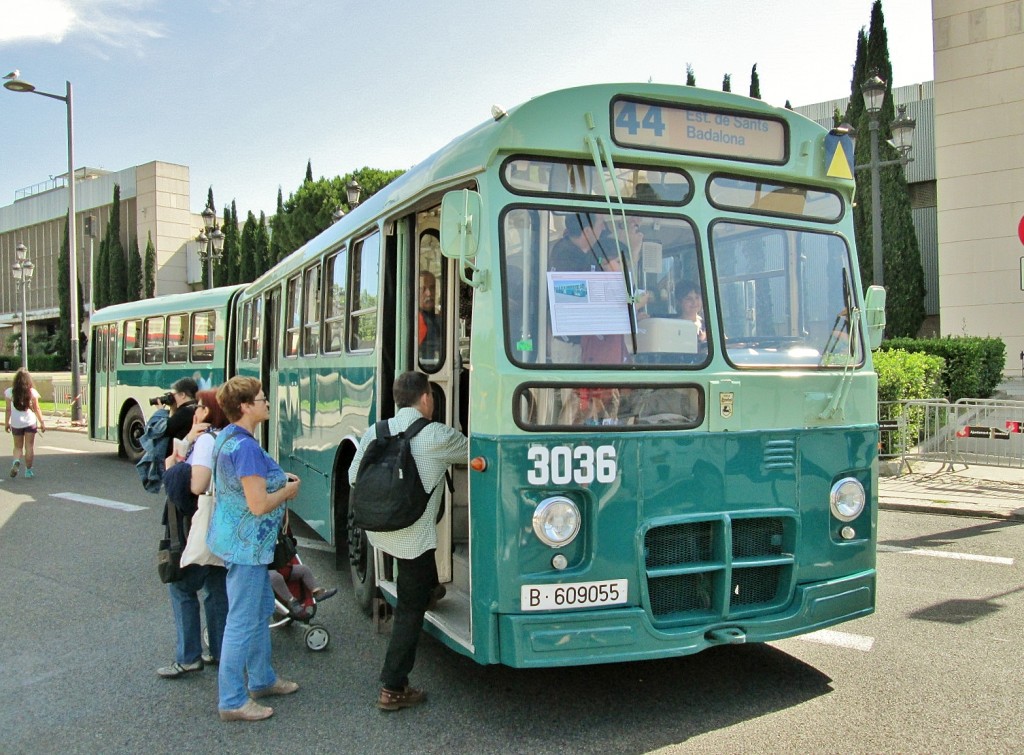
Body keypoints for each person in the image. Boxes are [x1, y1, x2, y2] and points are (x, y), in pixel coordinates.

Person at [348, 371, 468, 712]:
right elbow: (475, 455)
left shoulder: (377, 430)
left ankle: (430, 590)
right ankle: (393, 686)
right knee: (409, 609)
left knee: (421, 569)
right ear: (426, 399)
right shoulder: (437, 435)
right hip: (413, 534)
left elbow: (353, 476)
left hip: (378, 528)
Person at [207, 377, 302, 723]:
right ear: (245, 406)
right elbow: (259, 504)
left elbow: (249, 484)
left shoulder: (228, 437)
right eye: (261, 398)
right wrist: (287, 493)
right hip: (248, 546)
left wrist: (278, 479)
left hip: (239, 542)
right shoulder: (245, 447)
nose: (266, 402)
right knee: (242, 621)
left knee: (261, 608)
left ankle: (261, 679)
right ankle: (232, 699)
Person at [156, 388, 229, 679]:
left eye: (200, 406)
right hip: (221, 526)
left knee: (182, 587)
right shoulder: (228, 437)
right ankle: (221, 651)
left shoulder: (205, 442)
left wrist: (180, 455)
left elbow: (190, 484)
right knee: (216, 590)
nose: (194, 411)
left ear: (208, 412)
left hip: (197, 525)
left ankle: (188, 656)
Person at [4, 368, 45, 478]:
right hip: (30, 422)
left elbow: (8, 410)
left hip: (16, 423)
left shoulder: (9, 392)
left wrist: (6, 423)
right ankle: (28, 471)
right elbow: (37, 409)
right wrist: (42, 422)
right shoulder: (32, 392)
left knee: (17, 447)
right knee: (29, 447)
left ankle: (16, 461)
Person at [268, 563, 337, 620]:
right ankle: (292, 601)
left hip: (277, 566)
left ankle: (317, 592)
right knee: (275, 577)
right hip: (263, 571)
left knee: (304, 569)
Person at [163, 377, 199, 443]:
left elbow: (164, 430)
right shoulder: (197, 407)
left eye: (173, 394)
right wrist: (173, 409)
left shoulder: (185, 411)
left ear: (182, 395)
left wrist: (160, 411)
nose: (173, 398)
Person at [418, 270, 442, 364]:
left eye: (432, 288)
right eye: (423, 289)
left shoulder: (441, 320)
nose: (429, 293)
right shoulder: (414, 320)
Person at [675, 279, 707, 344]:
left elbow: (726, 344)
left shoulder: (707, 324)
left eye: (697, 297)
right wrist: (700, 340)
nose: (694, 302)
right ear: (679, 302)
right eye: (689, 299)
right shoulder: (673, 326)